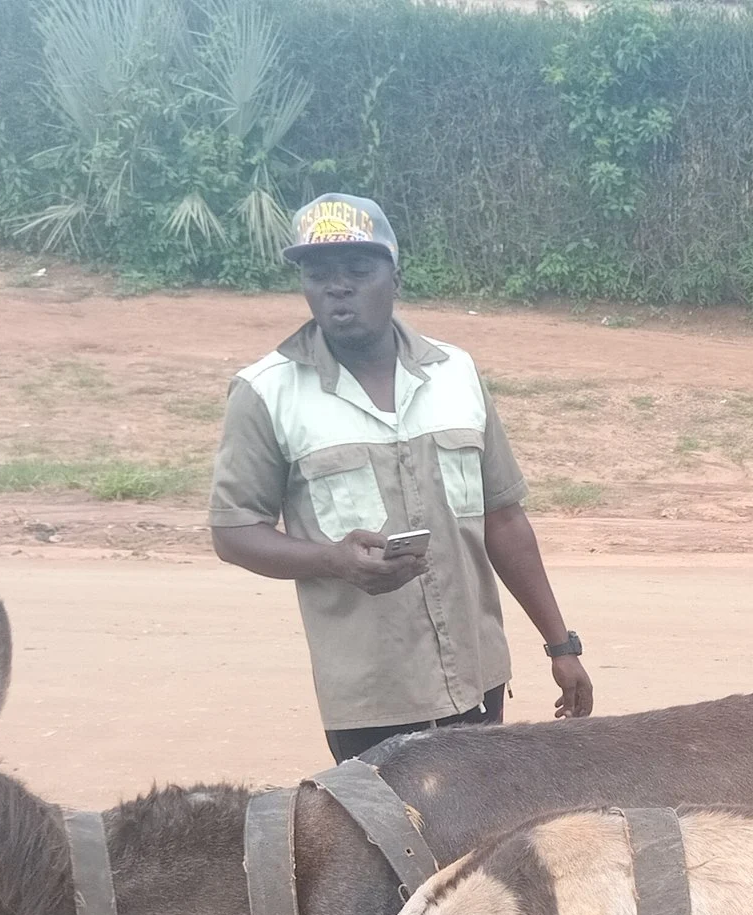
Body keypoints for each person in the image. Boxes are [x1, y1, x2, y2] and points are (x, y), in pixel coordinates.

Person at [209, 193, 592, 763]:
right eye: (318, 274)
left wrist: (561, 645)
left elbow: (504, 520)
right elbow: (233, 531)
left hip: (476, 678)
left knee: (481, 844)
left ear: (395, 275)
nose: (338, 287)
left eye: (359, 271)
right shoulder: (267, 392)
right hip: (370, 698)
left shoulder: (454, 374)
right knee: (389, 848)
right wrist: (332, 561)